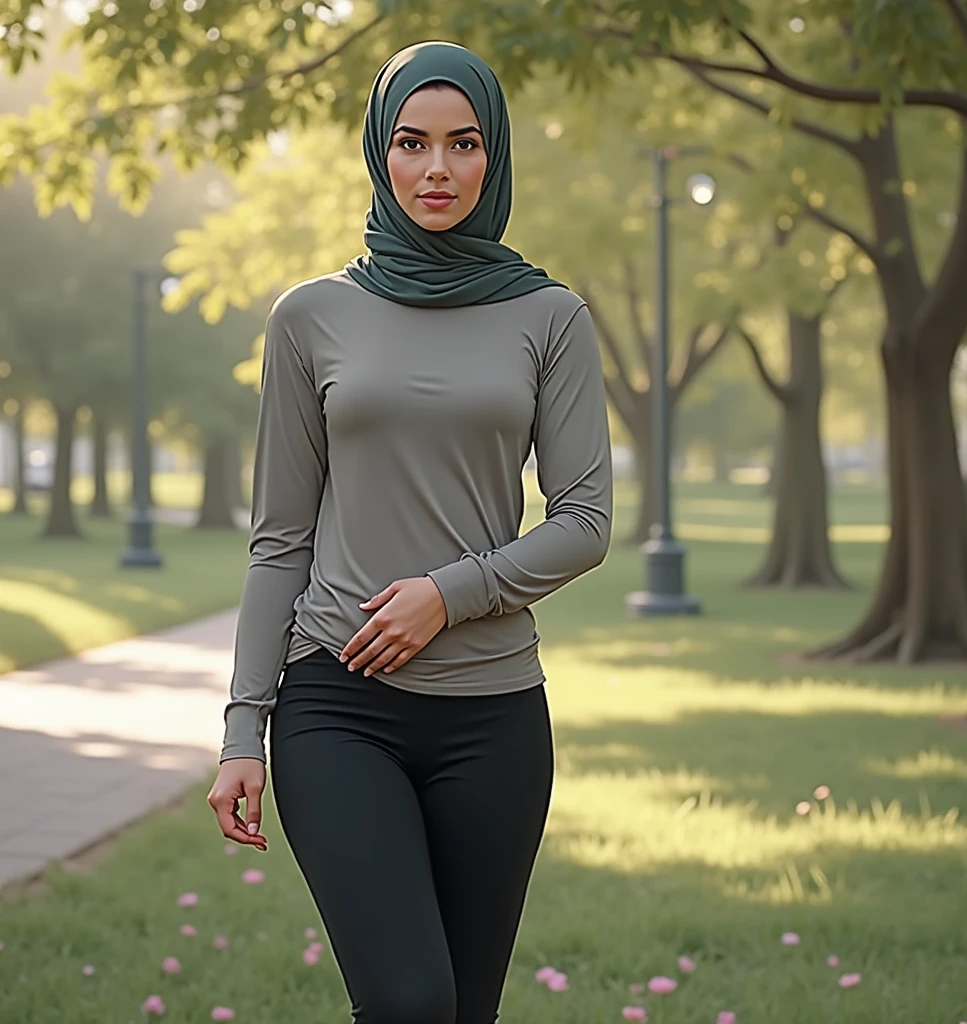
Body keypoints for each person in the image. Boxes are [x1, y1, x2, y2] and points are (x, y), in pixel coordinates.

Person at [206, 40, 613, 1024]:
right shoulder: (310, 317)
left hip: (494, 716)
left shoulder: (551, 317)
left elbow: (587, 523)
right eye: (412, 143)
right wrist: (239, 729)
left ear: (494, 154)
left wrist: (449, 591)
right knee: (408, 999)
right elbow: (278, 539)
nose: (438, 169)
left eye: (464, 143)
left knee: (465, 1011)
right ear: (379, 156)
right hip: (336, 706)